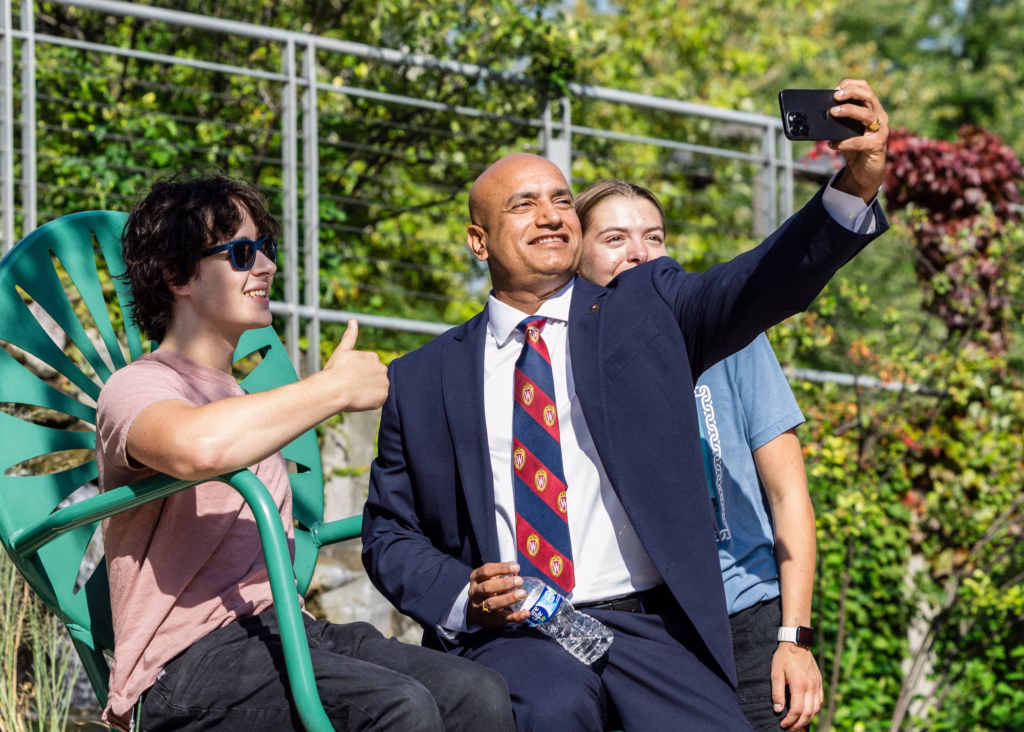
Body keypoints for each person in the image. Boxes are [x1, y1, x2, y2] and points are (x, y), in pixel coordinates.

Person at [362, 80, 889, 731]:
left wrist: (853, 187)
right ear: (479, 241)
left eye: (561, 201)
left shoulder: (647, 310)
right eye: (523, 205)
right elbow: (388, 534)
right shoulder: (421, 379)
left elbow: (755, 281)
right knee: (552, 711)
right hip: (523, 629)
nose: (552, 214)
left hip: (643, 627)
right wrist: (462, 595)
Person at [95, 170, 515, 732]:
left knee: (477, 693)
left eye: (265, 250)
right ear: (177, 276)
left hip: (283, 627)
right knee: (397, 707)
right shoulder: (138, 386)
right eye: (242, 253)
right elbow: (196, 447)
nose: (267, 267)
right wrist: (333, 389)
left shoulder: (246, 401)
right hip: (182, 664)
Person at [574, 180, 823, 731]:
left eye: (654, 237)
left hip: (750, 622)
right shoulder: (565, 359)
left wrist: (795, 637)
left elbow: (789, 496)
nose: (639, 253)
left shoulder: (734, 339)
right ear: (576, 256)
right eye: (615, 238)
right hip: (647, 633)